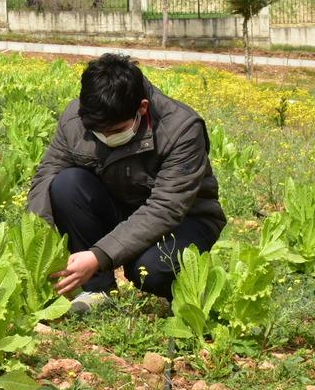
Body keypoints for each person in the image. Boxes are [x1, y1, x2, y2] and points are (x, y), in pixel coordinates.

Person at [27, 53, 226, 312]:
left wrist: (99, 256)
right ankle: (98, 291)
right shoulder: (76, 120)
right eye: (97, 131)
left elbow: (165, 209)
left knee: (148, 269)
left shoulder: (181, 128)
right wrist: (38, 239)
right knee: (66, 183)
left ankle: (195, 297)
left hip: (184, 220)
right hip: (121, 208)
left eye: (115, 130)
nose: (105, 136)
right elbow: (47, 173)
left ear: (142, 108)